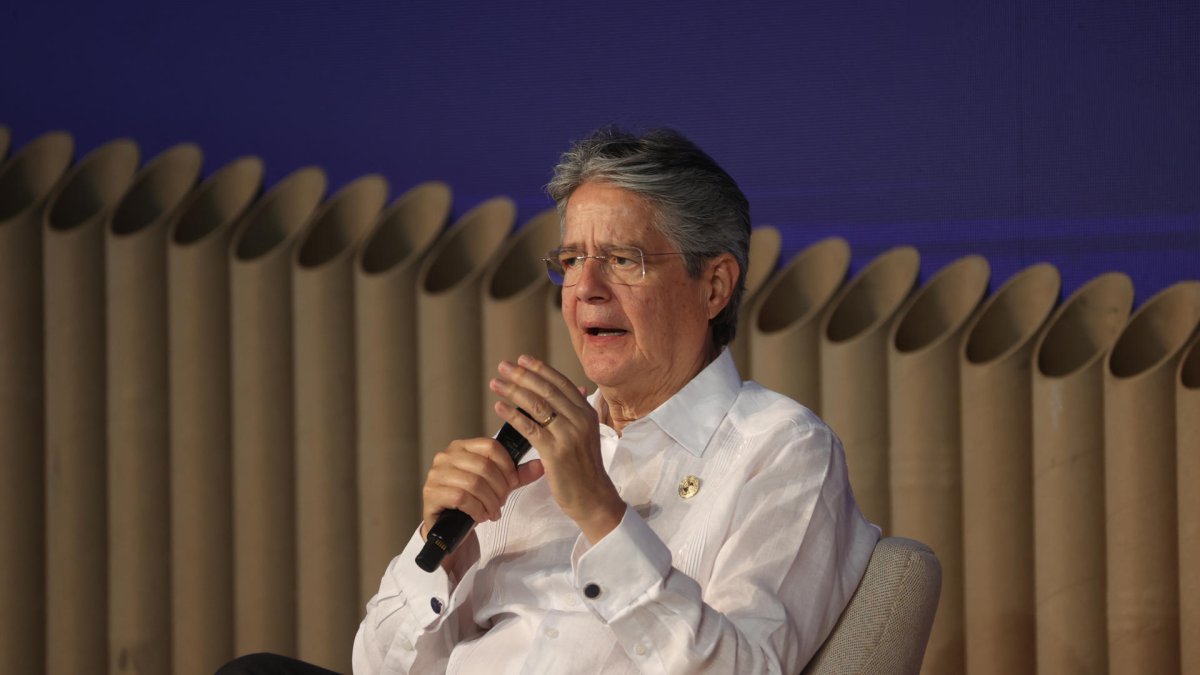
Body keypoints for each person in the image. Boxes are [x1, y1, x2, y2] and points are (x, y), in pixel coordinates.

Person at [350, 126, 880, 674]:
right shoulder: (532, 448)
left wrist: (602, 513)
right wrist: (441, 555)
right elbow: (373, 667)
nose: (586, 288)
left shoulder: (783, 451)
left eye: (624, 260)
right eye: (573, 260)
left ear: (714, 287)